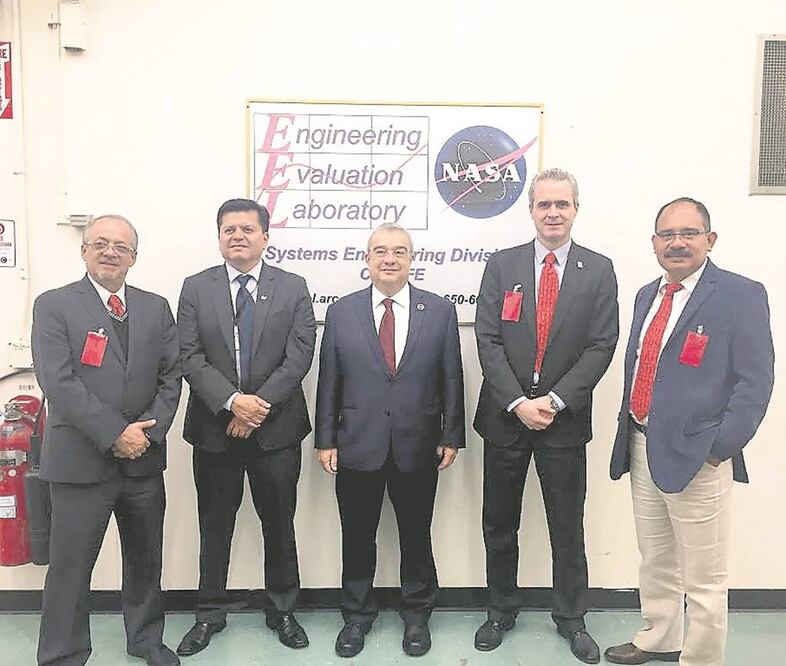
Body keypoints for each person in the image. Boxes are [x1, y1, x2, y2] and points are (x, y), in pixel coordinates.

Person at [605, 198, 774, 666]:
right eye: (667, 235)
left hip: (701, 456)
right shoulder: (648, 294)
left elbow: (756, 380)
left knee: (704, 578)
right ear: (654, 243)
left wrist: (719, 448)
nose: (677, 243)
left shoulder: (740, 295)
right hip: (642, 444)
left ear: (709, 239)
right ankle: (659, 637)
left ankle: (700, 659)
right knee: (655, 559)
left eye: (689, 233)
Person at [473, 168, 619, 664]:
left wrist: (554, 401)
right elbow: (487, 339)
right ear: (531, 210)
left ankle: (572, 618)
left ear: (576, 209)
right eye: (544, 204)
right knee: (499, 523)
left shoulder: (598, 270)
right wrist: (518, 402)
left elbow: (602, 345)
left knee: (567, 525)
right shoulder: (502, 265)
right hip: (505, 418)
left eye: (562, 204)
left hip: (564, 422)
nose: (553, 213)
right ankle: (500, 611)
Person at [31, 215, 182, 666]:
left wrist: (145, 433)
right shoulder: (54, 305)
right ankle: (63, 654)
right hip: (79, 462)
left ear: (134, 257)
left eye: (121, 246)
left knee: (145, 561)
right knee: (71, 569)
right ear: (84, 251)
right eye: (100, 243)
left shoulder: (156, 307)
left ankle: (146, 641)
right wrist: (115, 433)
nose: (110, 252)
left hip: (142, 461)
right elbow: (58, 381)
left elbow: (171, 377)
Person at [315, 223, 465, 658]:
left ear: (412, 259)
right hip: (356, 442)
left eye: (399, 251)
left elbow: (452, 376)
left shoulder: (439, 311)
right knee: (357, 536)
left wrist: (451, 434)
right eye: (380, 251)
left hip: (419, 443)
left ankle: (417, 614)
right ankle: (356, 616)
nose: (389, 259)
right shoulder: (342, 312)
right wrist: (326, 438)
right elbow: (329, 380)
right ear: (367, 259)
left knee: (416, 535)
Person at [175, 199, 316, 656]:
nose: (237, 235)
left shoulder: (292, 287)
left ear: (265, 237)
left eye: (247, 229)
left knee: (280, 524)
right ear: (219, 237)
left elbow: (299, 354)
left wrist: (257, 407)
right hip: (215, 429)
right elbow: (189, 356)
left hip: (277, 431)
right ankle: (208, 614)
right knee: (214, 526)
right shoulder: (196, 288)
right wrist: (233, 403)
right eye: (229, 229)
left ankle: (283, 610)